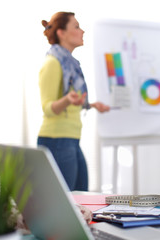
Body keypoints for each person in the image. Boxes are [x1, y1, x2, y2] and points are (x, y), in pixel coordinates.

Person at [38, 12, 110, 191]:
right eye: (76, 27)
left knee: (81, 196)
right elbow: (48, 108)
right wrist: (67, 100)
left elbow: (70, 101)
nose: (82, 31)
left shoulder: (71, 64)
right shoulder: (52, 63)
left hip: (70, 139)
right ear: (61, 33)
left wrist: (90, 105)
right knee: (69, 200)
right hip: (56, 140)